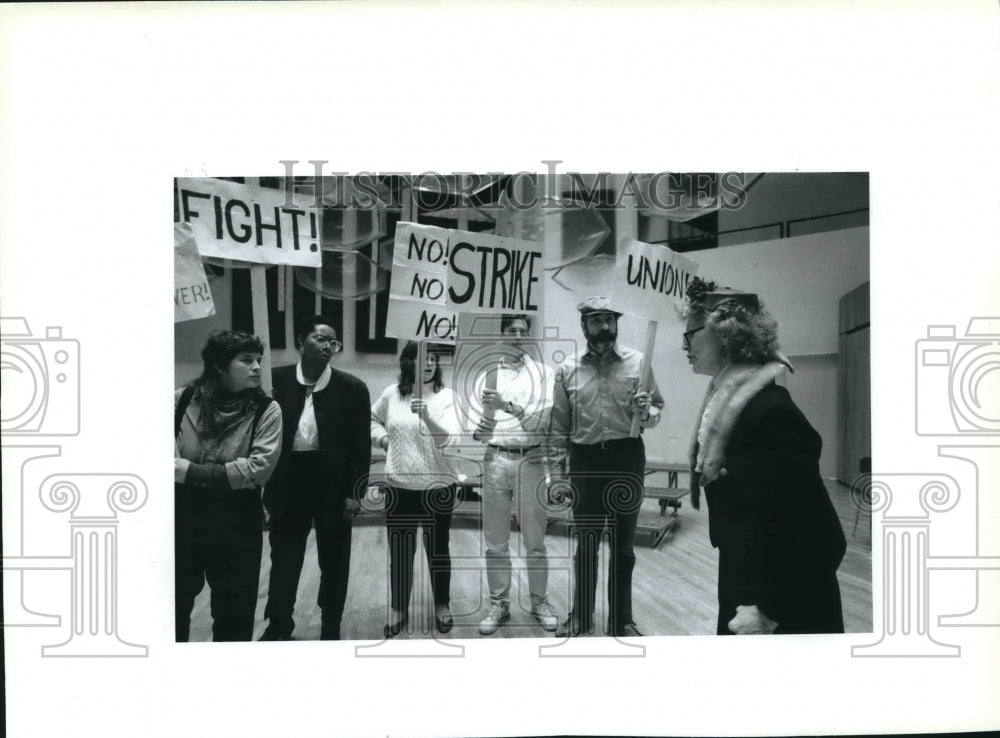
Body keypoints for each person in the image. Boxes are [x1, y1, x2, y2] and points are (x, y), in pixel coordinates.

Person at [682, 277, 846, 635]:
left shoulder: (769, 413)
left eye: (690, 333)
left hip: (781, 609)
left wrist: (771, 610)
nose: (684, 345)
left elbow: (824, 536)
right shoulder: (734, 405)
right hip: (748, 580)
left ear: (724, 334)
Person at [552, 297, 664, 638]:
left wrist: (646, 411)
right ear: (584, 325)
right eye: (597, 320)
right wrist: (558, 474)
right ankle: (581, 615)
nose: (604, 327)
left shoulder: (639, 363)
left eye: (609, 320)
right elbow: (559, 427)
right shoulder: (567, 368)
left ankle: (622, 620)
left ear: (617, 323)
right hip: (585, 462)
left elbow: (656, 411)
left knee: (623, 546)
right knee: (585, 544)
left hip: (626, 458)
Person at [259, 315, 371, 641]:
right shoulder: (273, 381)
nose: (327, 346)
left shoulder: (352, 388)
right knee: (284, 561)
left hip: (332, 488)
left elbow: (359, 446)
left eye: (333, 342)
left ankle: (330, 627)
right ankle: (279, 625)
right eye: (320, 338)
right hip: (288, 485)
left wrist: (354, 492)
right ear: (300, 341)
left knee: (334, 562)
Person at [174, 330, 282, 642]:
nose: (257, 367)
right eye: (247, 360)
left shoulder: (266, 409)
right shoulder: (181, 399)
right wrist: (227, 473)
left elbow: (259, 469)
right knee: (173, 610)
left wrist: (193, 471)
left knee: (234, 617)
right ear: (220, 365)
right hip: (183, 517)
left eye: (258, 360)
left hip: (237, 522)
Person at [472, 314, 560, 635]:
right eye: (512, 330)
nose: (519, 335)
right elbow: (480, 431)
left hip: (531, 461)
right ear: (502, 334)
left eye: (524, 331)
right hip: (495, 459)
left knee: (535, 541)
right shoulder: (488, 375)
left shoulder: (544, 374)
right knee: (495, 542)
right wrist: (481, 428)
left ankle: (539, 602)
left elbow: (540, 424)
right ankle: (499, 604)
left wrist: (508, 406)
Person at [370, 341, 462, 638]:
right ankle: (398, 608)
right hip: (399, 487)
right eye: (422, 358)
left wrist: (427, 416)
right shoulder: (391, 394)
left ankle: (442, 606)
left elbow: (451, 441)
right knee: (401, 551)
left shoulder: (447, 397)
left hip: (437, 487)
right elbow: (372, 419)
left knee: (438, 551)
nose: (428, 363)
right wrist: (383, 439)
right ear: (407, 362)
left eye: (434, 358)